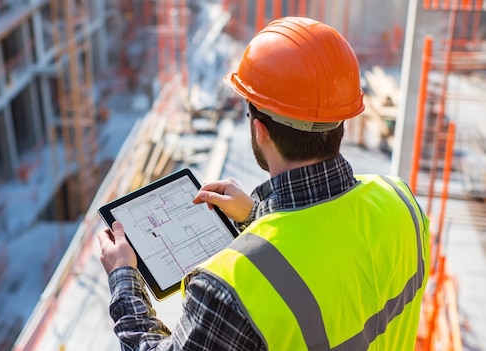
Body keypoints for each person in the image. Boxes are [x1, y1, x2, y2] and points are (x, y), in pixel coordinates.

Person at [98, 17, 430, 350]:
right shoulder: (402, 202)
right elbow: (332, 257)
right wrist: (256, 216)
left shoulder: (228, 288)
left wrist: (123, 277)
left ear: (259, 130)